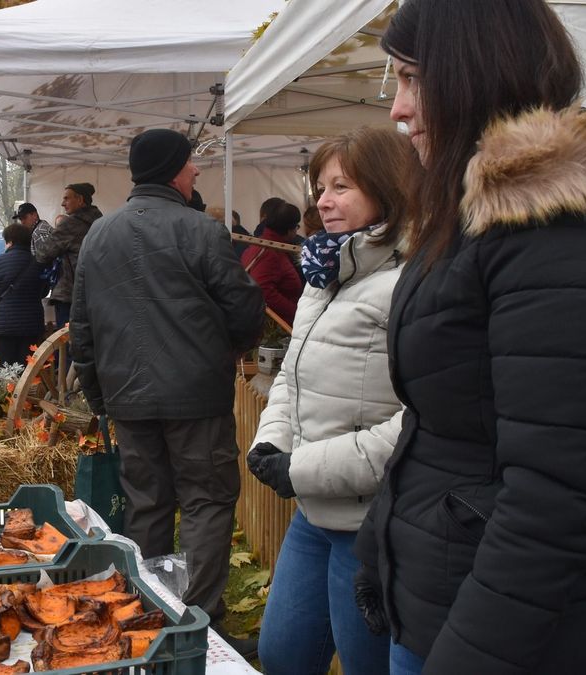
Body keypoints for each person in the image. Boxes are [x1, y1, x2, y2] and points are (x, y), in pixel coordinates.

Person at [351, 2, 586, 674]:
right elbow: (445, 427)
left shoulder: (561, 235)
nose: (397, 110)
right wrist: (385, 546)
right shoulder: (477, 219)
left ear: (472, 76)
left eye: (410, 79)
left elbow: (554, 494)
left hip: (524, 645)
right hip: (455, 609)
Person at [69, 129, 265, 650]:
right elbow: (246, 310)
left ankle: (146, 618)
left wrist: (99, 399)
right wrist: (228, 351)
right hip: (196, 397)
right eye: (190, 163)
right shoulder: (202, 231)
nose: (197, 171)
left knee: (147, 505)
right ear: (173, 170)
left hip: (128, 399)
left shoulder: (97, 235)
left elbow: (80, 329)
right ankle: (198, 626)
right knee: (205, 501)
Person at [245, 127, 415, 675]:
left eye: (341, 185)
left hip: (371, 521)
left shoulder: (411, 280)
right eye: (320, 185)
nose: (323, 200)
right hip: (315, 511)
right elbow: (293, 376)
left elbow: (421, 419)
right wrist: (271, 439)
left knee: (368, 666)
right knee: (283, 654)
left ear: (388, 188)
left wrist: (305, 467)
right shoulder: (326, 273)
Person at [0, 223, 48, 367]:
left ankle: (8, 390)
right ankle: (28, 390)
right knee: (28, 368)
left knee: (7, 367)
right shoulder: (38, 262)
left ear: (9, 241)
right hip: (32, 322)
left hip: (5, 323)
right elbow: (45, 290)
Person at [35, 182, 102, 326]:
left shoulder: (70, 224)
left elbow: (43, 254)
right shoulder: (100, 221)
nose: (62, 203)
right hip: (95, 292)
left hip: (70, 294)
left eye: (67, 198)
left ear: (80, 200)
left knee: (66, 342)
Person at [240, 201, 305, 326]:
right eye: (297, 226)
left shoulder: (261, 245)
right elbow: (263, 290)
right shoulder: (270, 252)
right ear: (289, 229)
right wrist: (296, 312)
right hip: (274, 328)